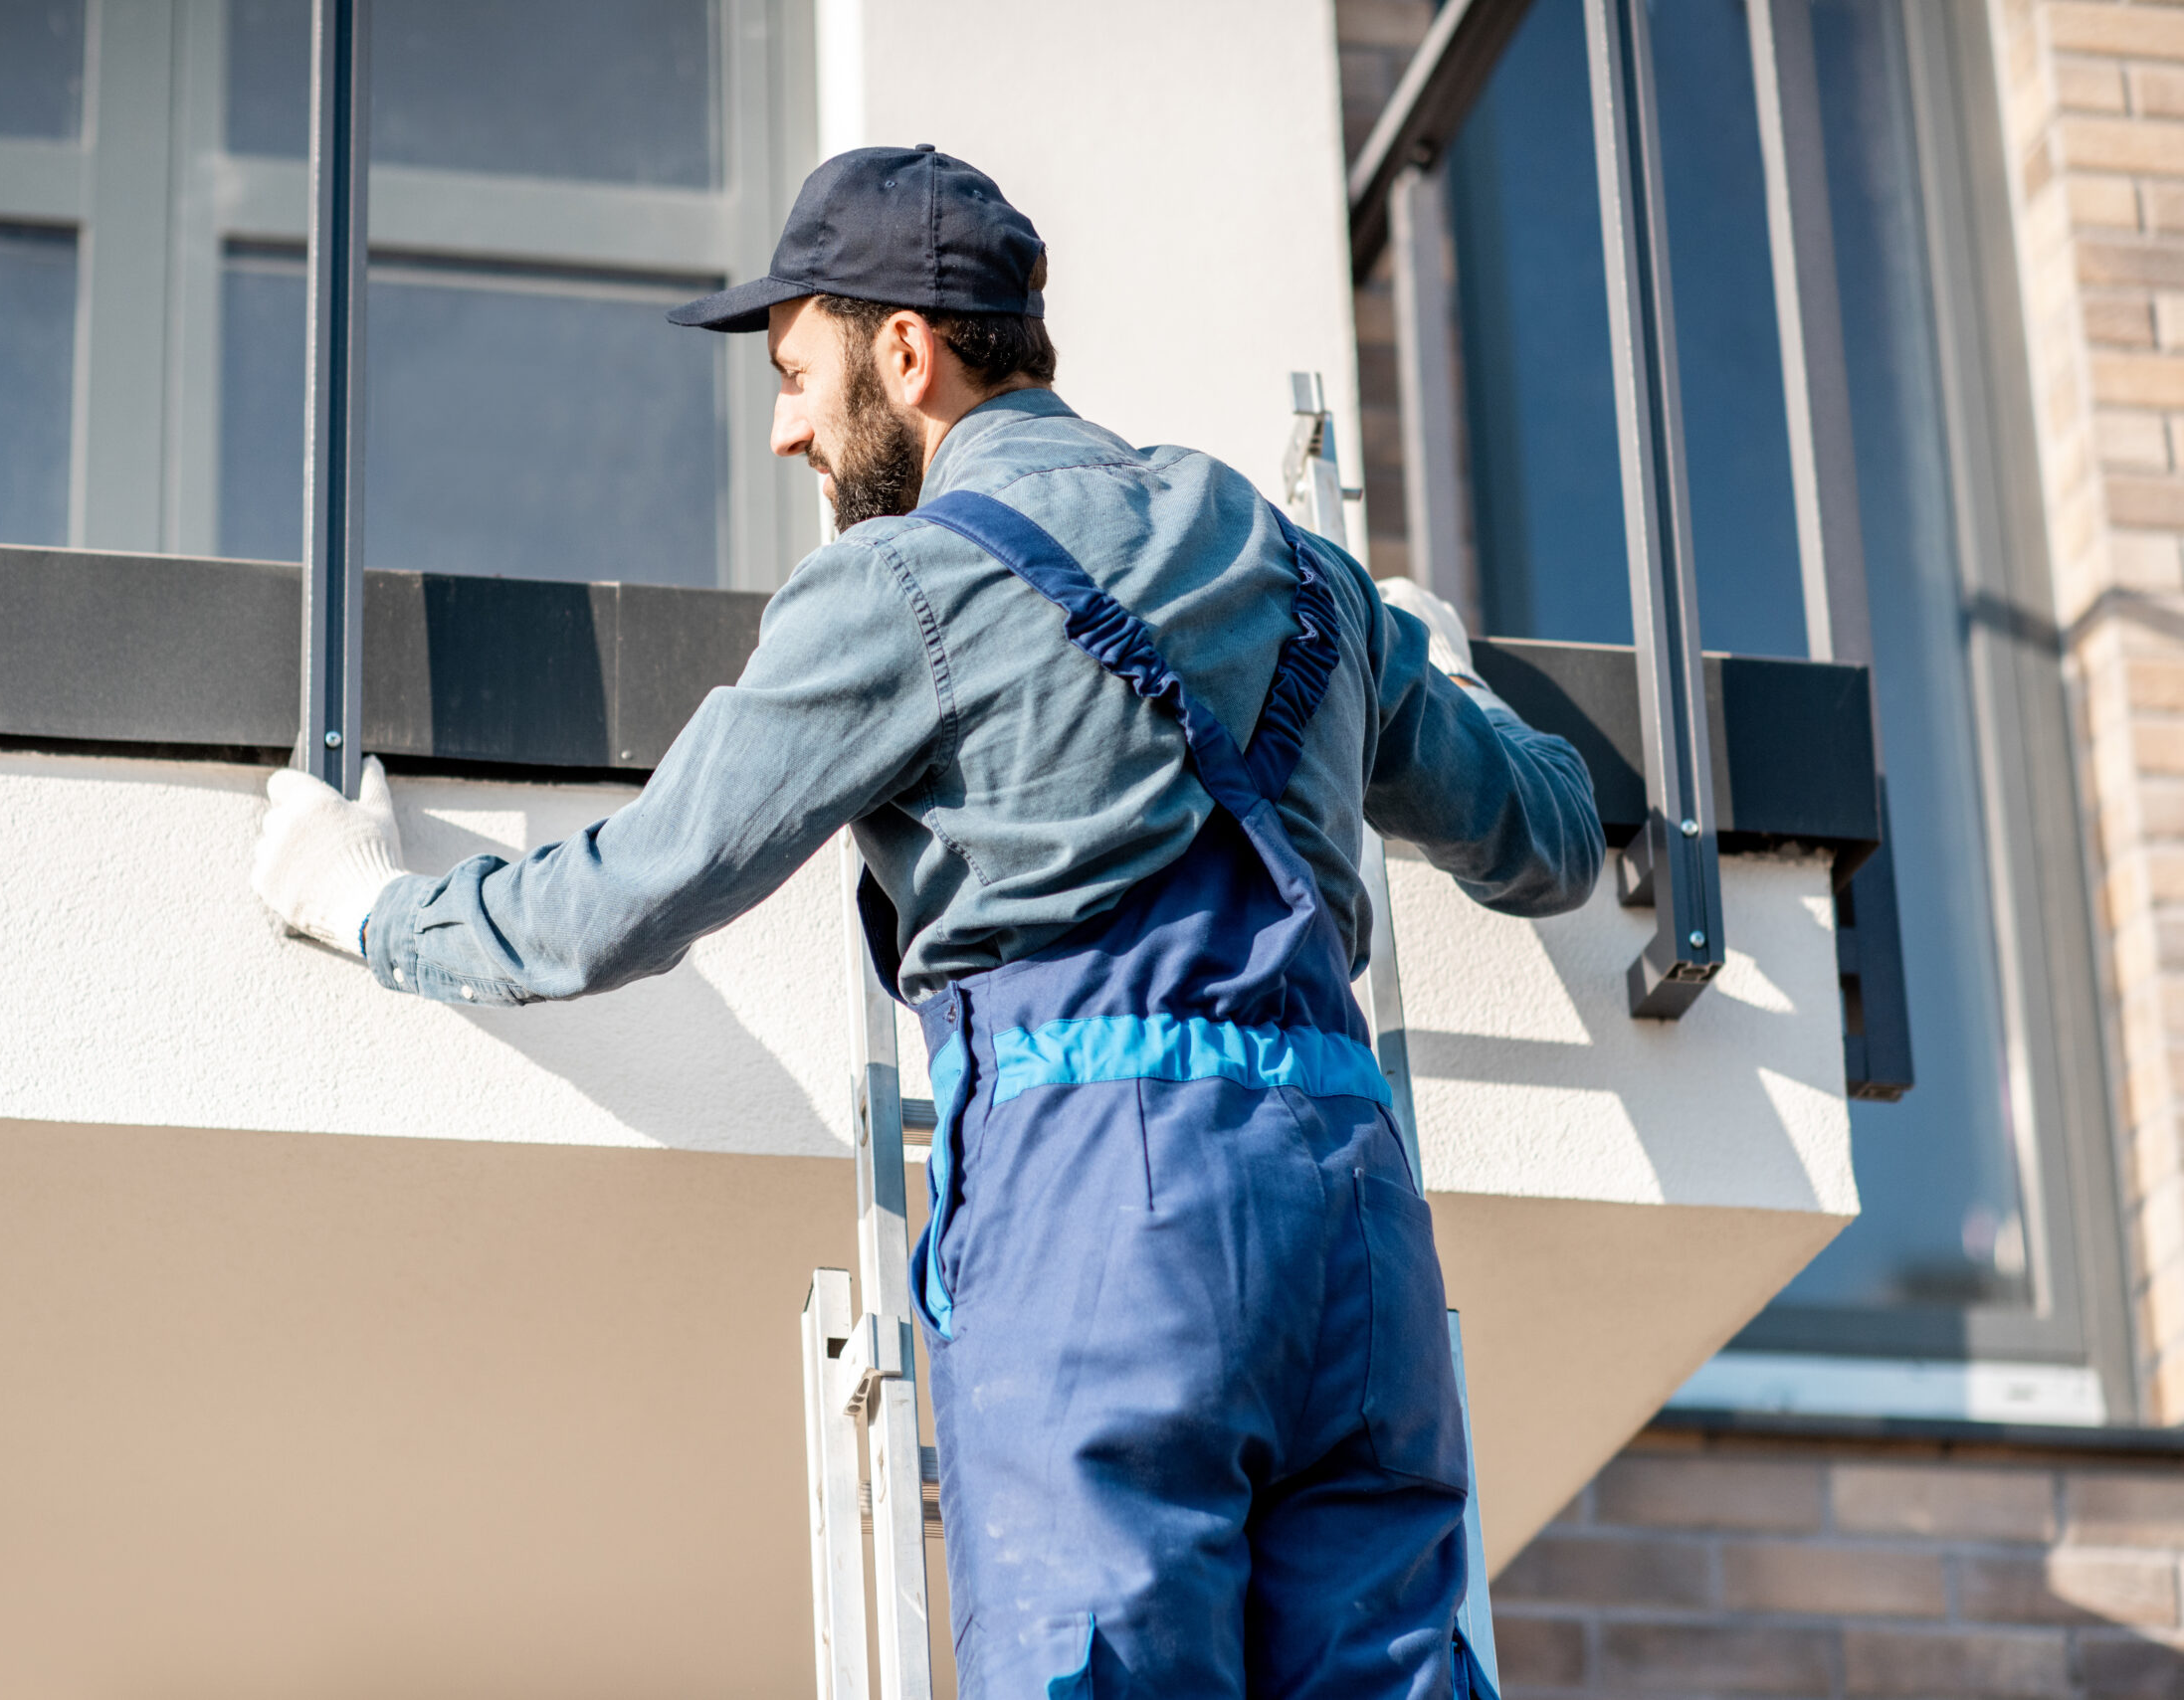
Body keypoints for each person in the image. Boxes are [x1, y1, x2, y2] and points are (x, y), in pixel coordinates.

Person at [253, 144, 1600, 1700]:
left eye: (796, 370)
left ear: (907, 350)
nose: (785, 428)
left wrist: (365, 902)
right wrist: (1434, 652)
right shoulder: (1302, 576)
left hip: (1109, 1211)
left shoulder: (902, 582)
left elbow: (624, 896)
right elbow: (1552, 836)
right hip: (1354, 1218)